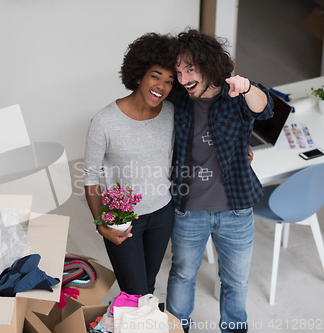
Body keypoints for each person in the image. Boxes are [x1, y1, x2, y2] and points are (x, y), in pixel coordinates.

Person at [165, 29, 274, 333]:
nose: (183, 78)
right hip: (188, 210)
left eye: (189, 68)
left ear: (208, 64)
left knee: (236, 280)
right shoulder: (179, 100)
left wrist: (248, 86)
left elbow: (265, 108)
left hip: (236, 211)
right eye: (178, 70)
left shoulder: (235, 96)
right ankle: (176, 328)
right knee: (183, 273)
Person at [83, 33, 182, 296]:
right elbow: (91, 177)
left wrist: (241, 149)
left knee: (147, 288)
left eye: (169, 81)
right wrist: (100, 223)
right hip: (122, 217)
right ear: (138, 75)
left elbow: (200, 142)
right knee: (134, 292)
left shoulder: (172, 114)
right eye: (156, 76)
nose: (161, 86)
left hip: (163, 212)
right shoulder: (104, 122)